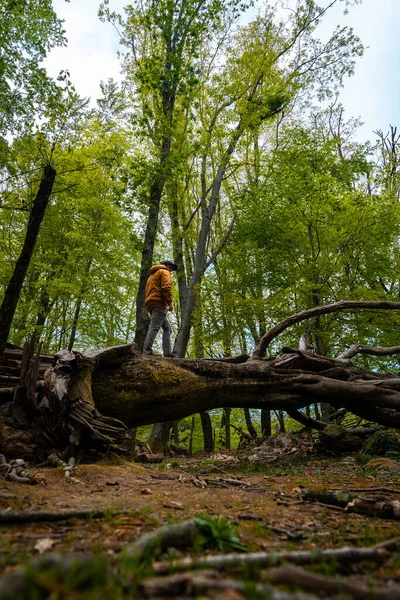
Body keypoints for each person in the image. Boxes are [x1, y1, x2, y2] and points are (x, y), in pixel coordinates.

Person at [143, 260, 178, 357]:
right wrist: (169, 303)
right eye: (170, 268)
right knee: (154, 327)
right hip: (159, 303)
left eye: (171, 269)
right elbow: (166, 287)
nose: (170, 271)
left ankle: (167, 353)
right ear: (165, 266)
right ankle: (147, 352)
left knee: (167, 328)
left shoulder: (151, 276)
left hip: (150, 304)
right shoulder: (164, 272)